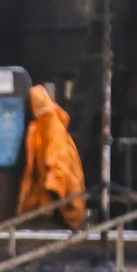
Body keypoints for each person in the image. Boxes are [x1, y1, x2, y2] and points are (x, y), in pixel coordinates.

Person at [16, 82, 86, 230]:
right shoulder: (43, 125)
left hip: (57, 198)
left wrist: (51, 192)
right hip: (51, 197)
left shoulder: (50, 126)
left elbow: (58, 164)